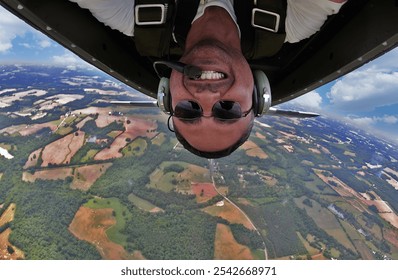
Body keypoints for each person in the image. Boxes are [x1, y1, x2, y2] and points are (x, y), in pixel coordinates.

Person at [69, 0, 347, 158]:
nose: (206, 96)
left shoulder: (130, 15)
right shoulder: (292, 22)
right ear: (257, 92)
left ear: (167, 93)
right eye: (228, 110)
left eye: (187, 111)